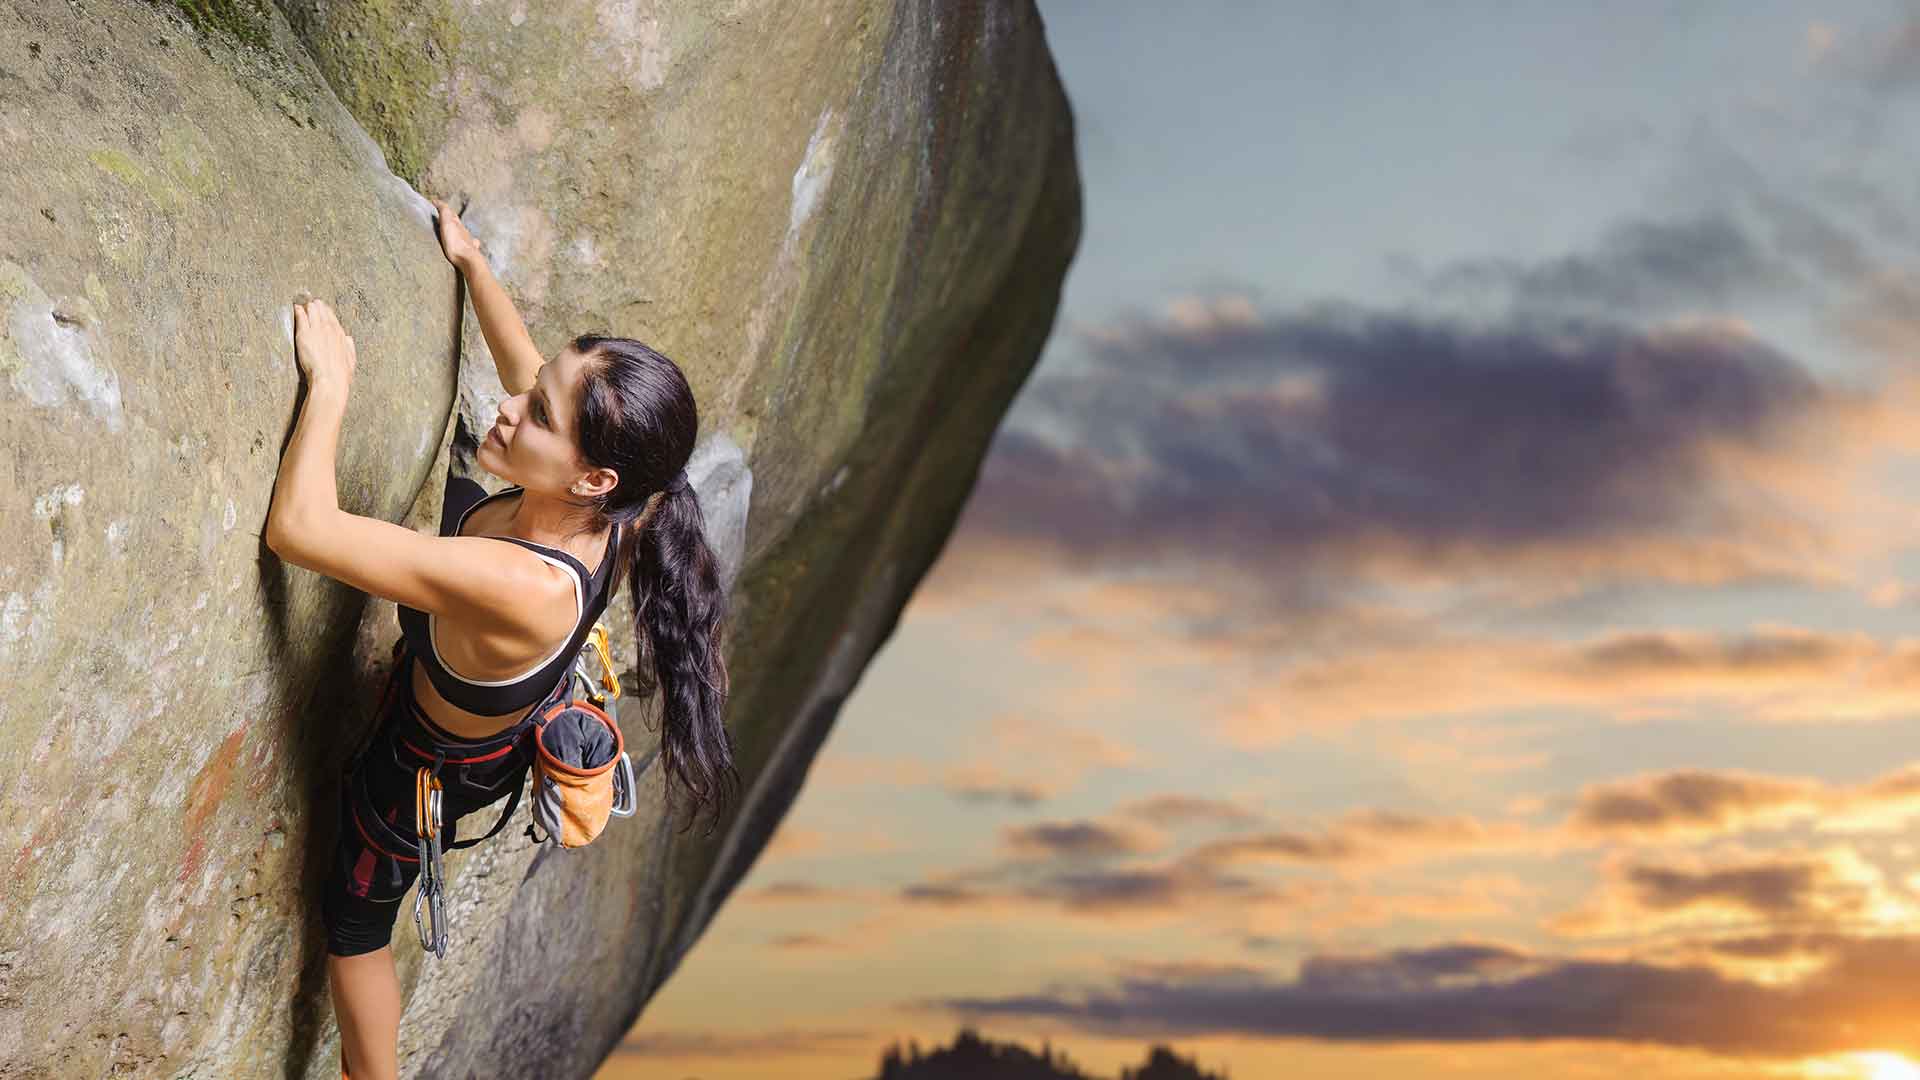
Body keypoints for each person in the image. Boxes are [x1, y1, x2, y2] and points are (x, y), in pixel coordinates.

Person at [263, 199, 741, 1080]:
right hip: (488, 688)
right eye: (536, 391)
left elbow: (299, 530)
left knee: (355, 926)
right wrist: (473, 263)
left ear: (593, 478)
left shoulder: (523, 584)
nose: (512, 406)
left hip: (425, 763)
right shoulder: (615, 502)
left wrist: (330, 385)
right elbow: (521, 365)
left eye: (538, 415)